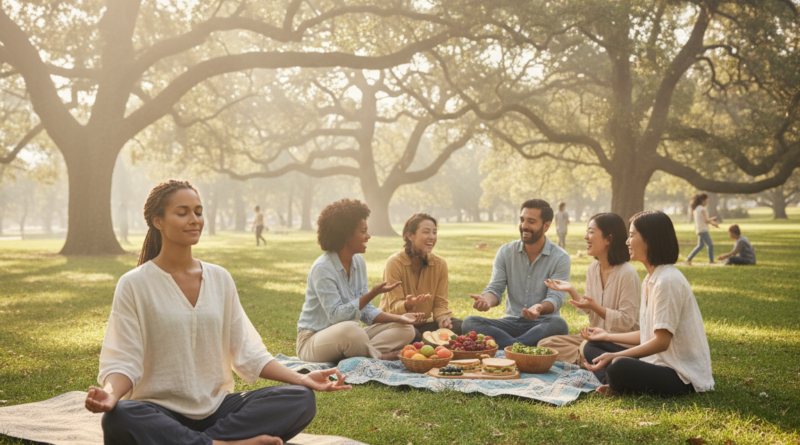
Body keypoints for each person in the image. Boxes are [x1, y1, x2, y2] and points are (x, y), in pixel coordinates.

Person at [85, 180, 350, 445]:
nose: (194, 220)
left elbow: (248, 353)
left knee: (300, 398)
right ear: (158, 221)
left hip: (216, 409)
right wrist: (110, 394)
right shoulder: (134, 284)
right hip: (157, 410)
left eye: (198, 212)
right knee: (120, 416)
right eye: (182, 212)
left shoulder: (220, 278)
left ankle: (196, 442)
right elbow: (123, 359)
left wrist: (302, 378)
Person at [582, 210, 714, 396]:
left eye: (632, 236)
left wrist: (616, 355)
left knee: (618, 365)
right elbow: (647, 334)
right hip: (655, 363)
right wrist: (607, 337)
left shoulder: (668, 280)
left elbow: (661, 342)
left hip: (681, 376)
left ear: (650, 240)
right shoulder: (651, 279)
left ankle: (614, 383)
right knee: (592, 347)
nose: (627, 242)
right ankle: (613, 385)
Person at [296, 199, 425, 363]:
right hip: (313, 341)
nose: (368, 236)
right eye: (363, 231)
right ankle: (378, 356)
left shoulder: (358, 262)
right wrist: (371, 294)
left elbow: (366, 312)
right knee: (350, 329)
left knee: (406, 329)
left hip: (348, 335)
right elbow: (336, 316)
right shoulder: (323, 268)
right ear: (346, 235)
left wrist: (400, 318)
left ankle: (357, 354)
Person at [462, 199, 570, 349]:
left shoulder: (560, 257)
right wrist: (486, 301)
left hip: (541, 324)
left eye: (531, 221)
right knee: (469, 322)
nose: (524, 226)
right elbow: (495, 288)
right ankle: (520, 347)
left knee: (559, 324)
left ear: (546, 226)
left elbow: (556, 298)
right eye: (522, 220)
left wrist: (539, 308)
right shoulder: (506, 252)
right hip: (510, 322)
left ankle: (507, 346)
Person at [538, 213, 640, 366]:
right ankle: (590, 358)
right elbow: (589, 308)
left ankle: (592, 357)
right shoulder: (593, 269)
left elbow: (626, 321)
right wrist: (571, 290)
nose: (586, 236)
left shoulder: (627, 273)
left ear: (609, 239)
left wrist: (595, 307)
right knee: (546, 343)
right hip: (595, 339)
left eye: (591, 232)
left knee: (586, 347)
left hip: (621, 343)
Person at [379, 213, 463, 343]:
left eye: (434, 232)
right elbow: (393, 306)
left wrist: (442, 319)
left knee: (461, 325)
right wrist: (408, 305)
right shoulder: (394, 263)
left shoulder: (440, 264)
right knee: (411, 333)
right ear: (410, 235)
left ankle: (426, 340)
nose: (432, 237)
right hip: (397, 325)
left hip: (423, 325)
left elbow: (440, 303)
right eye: (426, 232)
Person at [686, 193, 719, 265]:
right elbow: (706, 220)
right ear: (703, 200)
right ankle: (711, 261)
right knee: (710, 245)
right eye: (707, 200)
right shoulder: (702, 209)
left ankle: (688, 259)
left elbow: (704, 220)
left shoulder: (696, 209)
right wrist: (713, 219)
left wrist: (714, 224)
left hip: (699, 229)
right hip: (703, 230)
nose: (707, 202)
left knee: (700, 246)